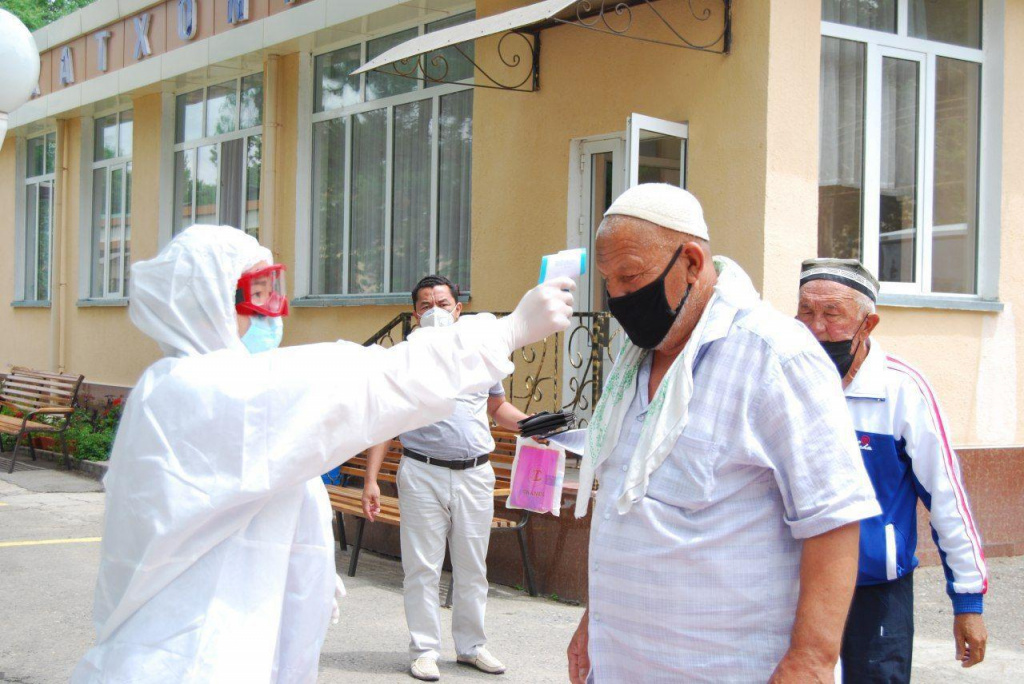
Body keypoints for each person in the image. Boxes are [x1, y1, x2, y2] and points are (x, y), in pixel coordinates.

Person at [71, 225, 575, 683]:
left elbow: (274, 489)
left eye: (276, 293)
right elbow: (370, 384)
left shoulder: (197, 388)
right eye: (260, 297)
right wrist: (507, 330)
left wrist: (305, 571)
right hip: (187, 658)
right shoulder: (202, 393)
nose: (275, 313)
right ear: (211, 304)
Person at [565, 184, 881, 683]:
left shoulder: (775, 355)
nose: (619, 299)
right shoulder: (635, 360)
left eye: (631, 278)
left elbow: (835, 518)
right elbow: (628, 509)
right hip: (623, 663)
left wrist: (811, 661)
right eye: (609, 283)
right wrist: (595, 621)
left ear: (690, 262)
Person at [797, 258, 989, 681]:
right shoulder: (783, 382)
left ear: (868, 324)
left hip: (876, 590)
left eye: (832, 314)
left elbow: (947, 499)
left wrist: (968, 602)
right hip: (795, 585)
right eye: (805, 312)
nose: (815, 327)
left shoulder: (902, 391)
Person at [362, 274, 533, 682]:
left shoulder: (480, 353)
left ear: (459, 309)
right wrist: (371, 480)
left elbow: (497, 407)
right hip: (422, 471)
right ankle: (424, 650)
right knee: (422, 568)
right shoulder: (405, 358)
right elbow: (386, 422)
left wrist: (535, 425)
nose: (435, 311)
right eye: (425, 305)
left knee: (473, 567)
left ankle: (471, 646)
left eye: (443, 303)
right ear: (415, 315)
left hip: (475, 473)